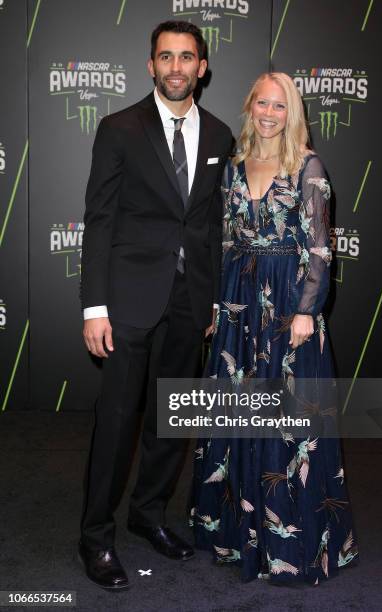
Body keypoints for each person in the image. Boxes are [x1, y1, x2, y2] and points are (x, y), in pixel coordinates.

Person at [78, 20, 233, 590]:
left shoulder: (219, 136)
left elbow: (212, 227)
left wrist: (213, 297)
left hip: (190, 303)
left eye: (186, 57)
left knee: (172, 423)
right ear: (151, 66)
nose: (175, 67)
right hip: (127, 302)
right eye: (165, 57)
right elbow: (99, 220)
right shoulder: (119, 127)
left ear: (202, 66)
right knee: (117, 423)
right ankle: (95, 536)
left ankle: (148, 517)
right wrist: (94, 305)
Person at [190, 72, 358, 585]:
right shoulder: (234, 165)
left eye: (279, 106)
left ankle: (295, 543)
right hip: (240, 302)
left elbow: (320, 246)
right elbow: (223, 242)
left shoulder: (308, 166)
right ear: (249, 106)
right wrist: (217, 306)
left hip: (289, 305)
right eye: (261, 103)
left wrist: (307, 308)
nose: (268, 113)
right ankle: (236, 534)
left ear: (293, 112)